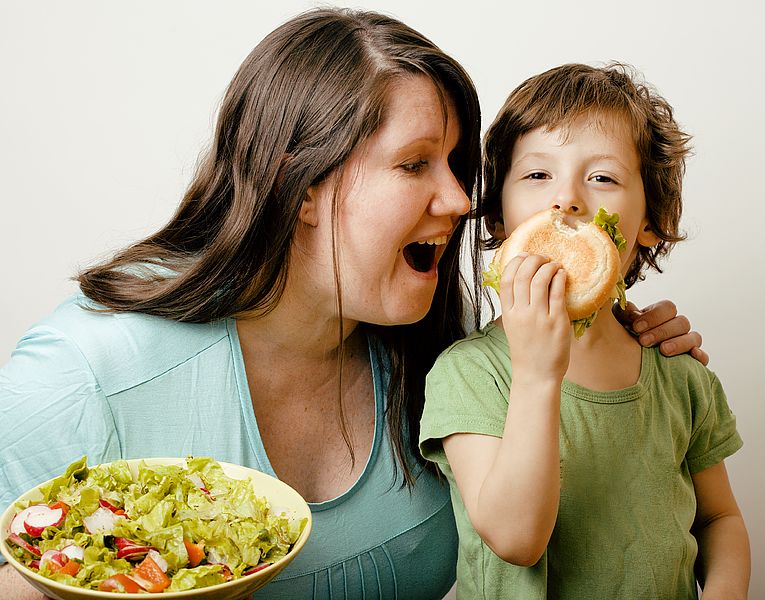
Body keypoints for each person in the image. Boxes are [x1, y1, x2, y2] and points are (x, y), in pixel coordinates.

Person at [0, 10, 706, 599]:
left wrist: (630, 361)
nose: (462, 202)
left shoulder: (438, 345)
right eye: (413, 164)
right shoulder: (79, 378)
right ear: (300, 184)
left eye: (458, 168)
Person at [419, 63, 751, 600]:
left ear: (648, 222)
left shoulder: (679, 372)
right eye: (536, 175)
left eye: (602, 177)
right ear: (498, 219)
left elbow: (719, 519)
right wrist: (536, 373)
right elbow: (515, 539)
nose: (566, 199)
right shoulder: (470, 373)